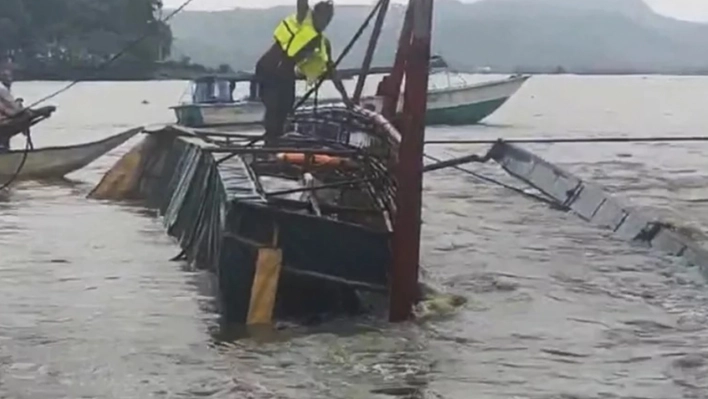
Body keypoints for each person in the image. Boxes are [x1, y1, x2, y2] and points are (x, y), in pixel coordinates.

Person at [255, 0, 351, 145]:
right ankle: (269, 146)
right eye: (323, 17)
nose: (325, 22)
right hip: (269, 69)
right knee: (273, 110)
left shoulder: (323, 43)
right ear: (315, 14)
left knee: (286, 110)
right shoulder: (303, 19)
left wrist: (345, 97)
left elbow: (332, 71)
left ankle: (277, 145)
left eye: (329, 19)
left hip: (285, 75)